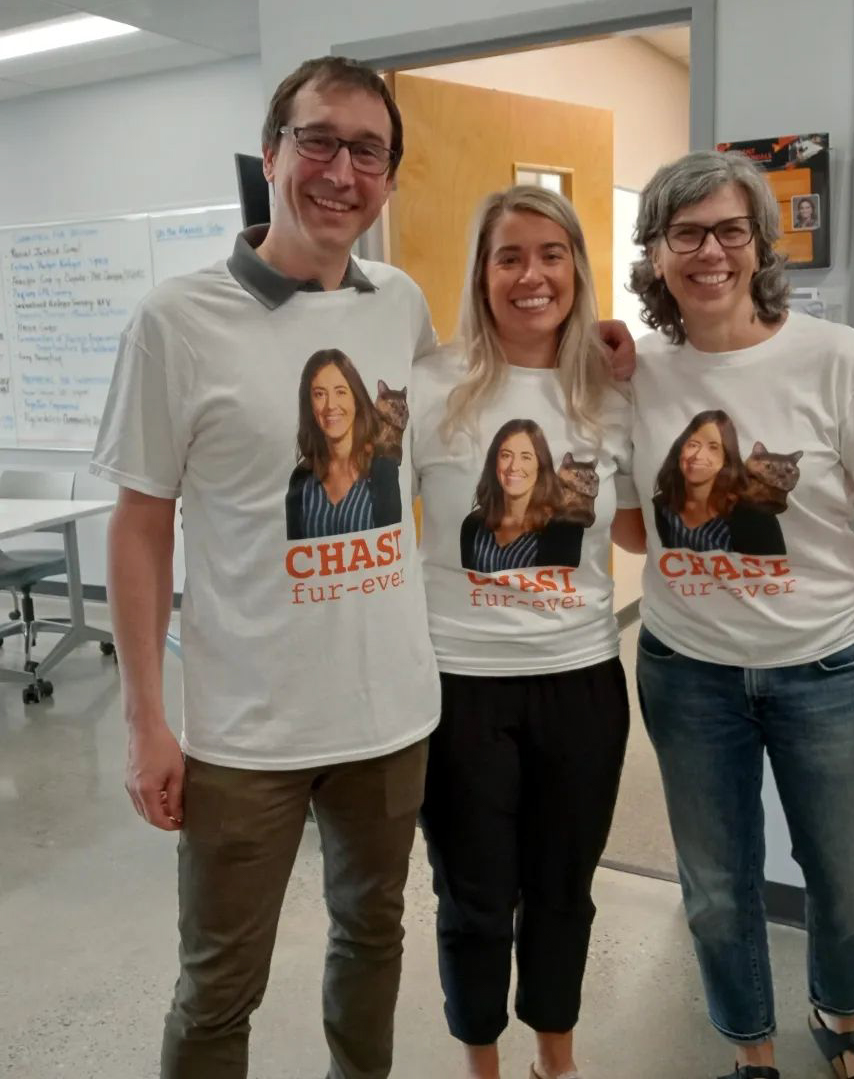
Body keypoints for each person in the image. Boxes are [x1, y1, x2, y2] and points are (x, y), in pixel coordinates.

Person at [90, 56, 444, 1079]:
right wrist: (147, 720)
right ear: (273, 154)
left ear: (388, 177)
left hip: (389, 719)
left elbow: (472, 414)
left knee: (374, 941)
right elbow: (141, 524)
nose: (341, 170)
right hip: (244, 734)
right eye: (318, 141)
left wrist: (598, 356)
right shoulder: (176, 323)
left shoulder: (401, 303)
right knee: (218, 984)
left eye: (367, 151)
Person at [620, 149, 854, 1079]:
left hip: (829, 673)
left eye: (729, 229)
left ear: (761, 243)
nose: (709, 251)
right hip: (687, 676)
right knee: (717, 892)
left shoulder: (829, 356)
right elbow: (639, 536)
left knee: (847, 890)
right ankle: (750, 1050)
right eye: (686, 233)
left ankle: (841, 1025)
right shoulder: (636, 373)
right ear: (658, 252)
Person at [411, 185, 640, 1079]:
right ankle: (482, 1065)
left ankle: (557, 1059)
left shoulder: (613, 390)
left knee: (561, 894)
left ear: (578, 268)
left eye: (552, 254)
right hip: (457, 688)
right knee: (472, 898)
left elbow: (639, 525)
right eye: (510, 256)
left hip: (581, 681)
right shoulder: (430, 383)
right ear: (481, 272)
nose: (532, 275)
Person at [285, 347, 402, 539]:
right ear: (310, 405)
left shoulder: (383, 469)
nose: (330, 405)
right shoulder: (301, 479)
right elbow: (297, 561)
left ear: (356, 398)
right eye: (319, 394)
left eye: (340, 392)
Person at [653, 408, 785, 554]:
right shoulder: (663, 507)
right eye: (693, 444)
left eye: (713, 447)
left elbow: (772, 574)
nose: (698, 455)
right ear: (679, 450)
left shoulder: (754, 515)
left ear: (726, 458)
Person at [460, 418, 584, 571]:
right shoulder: (472, 526)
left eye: (525, 457)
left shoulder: (565, 528)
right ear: (494, 462)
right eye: (506, 455)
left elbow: (559, 592)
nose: (514, 466)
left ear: (541, 465)